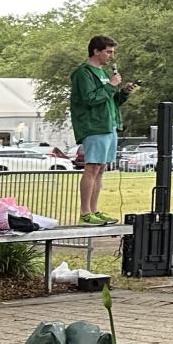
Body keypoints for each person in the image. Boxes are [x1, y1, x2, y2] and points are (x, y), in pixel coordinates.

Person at [70, 35, 132, 224]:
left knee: (101, 168)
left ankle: (95, 210)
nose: (111, 56)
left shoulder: (104, 74)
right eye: (108, 51)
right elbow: (90, 99)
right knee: (92, 167)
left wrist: (122, 93)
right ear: (96, 51)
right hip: (94, 125)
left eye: (113, 52)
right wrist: (112, 86)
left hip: (109, 124)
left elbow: (109, 101)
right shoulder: (83, 73)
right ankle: (85, 213)